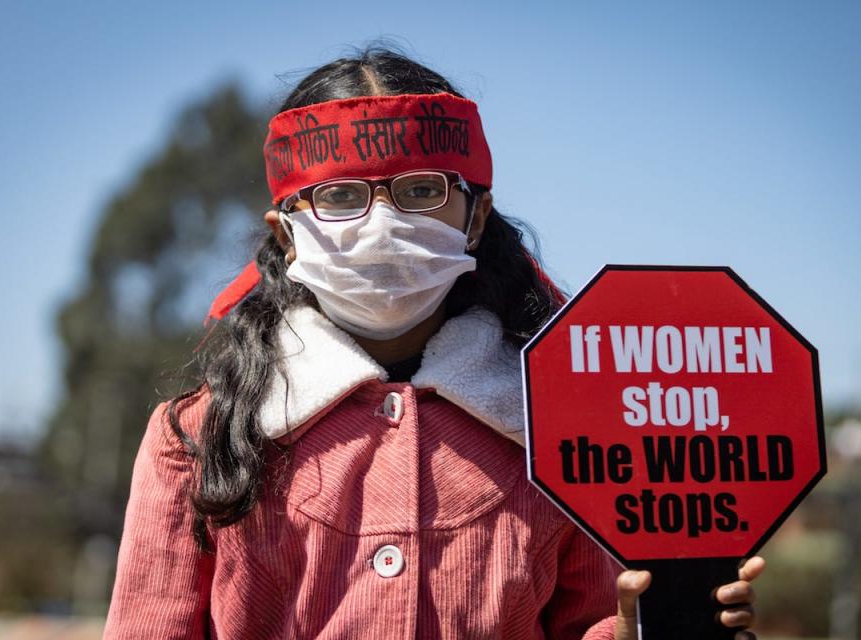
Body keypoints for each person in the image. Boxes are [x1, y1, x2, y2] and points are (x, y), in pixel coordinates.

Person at [103, 46, 764, 639]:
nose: (383, 223)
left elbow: (592, 619)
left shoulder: (560, 430)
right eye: (339, 196)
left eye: (422, 191)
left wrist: (647, 629)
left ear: (475, 215)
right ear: (285, 234)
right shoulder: (197, 436)